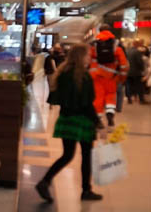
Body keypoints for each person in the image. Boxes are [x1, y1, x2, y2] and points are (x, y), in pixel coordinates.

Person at [35, 43, 105, 203]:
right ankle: (86, 190)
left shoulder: (63, 72)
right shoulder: (83, 76)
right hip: (82, 121)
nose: (89, 58)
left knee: (67, 155)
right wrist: (98, 123)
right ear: (81, 56)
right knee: (86, 156)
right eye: (88, 55)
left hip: (66, 120)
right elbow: (86, 104)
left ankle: (44, 182)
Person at [89, 24, 128, 128]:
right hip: (112, 77)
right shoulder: (117, 45)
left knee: (98, 98)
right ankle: (110, 115)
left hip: (96, 76)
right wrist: (122, 78)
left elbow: (87, 61)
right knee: (110, 96)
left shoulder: (94, 45)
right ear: (110, 31)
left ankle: (98, 120)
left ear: (99, 31)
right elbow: (124, 64)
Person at [127, 40, 146, 104]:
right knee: (139, 86)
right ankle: (141, 100)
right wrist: (142, 69)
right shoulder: (137, 52)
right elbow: (140, 62)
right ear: (137, 45)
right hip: (136, 72)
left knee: (129, 86)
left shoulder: (127, 51)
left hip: (128, 71)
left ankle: (129, 99)